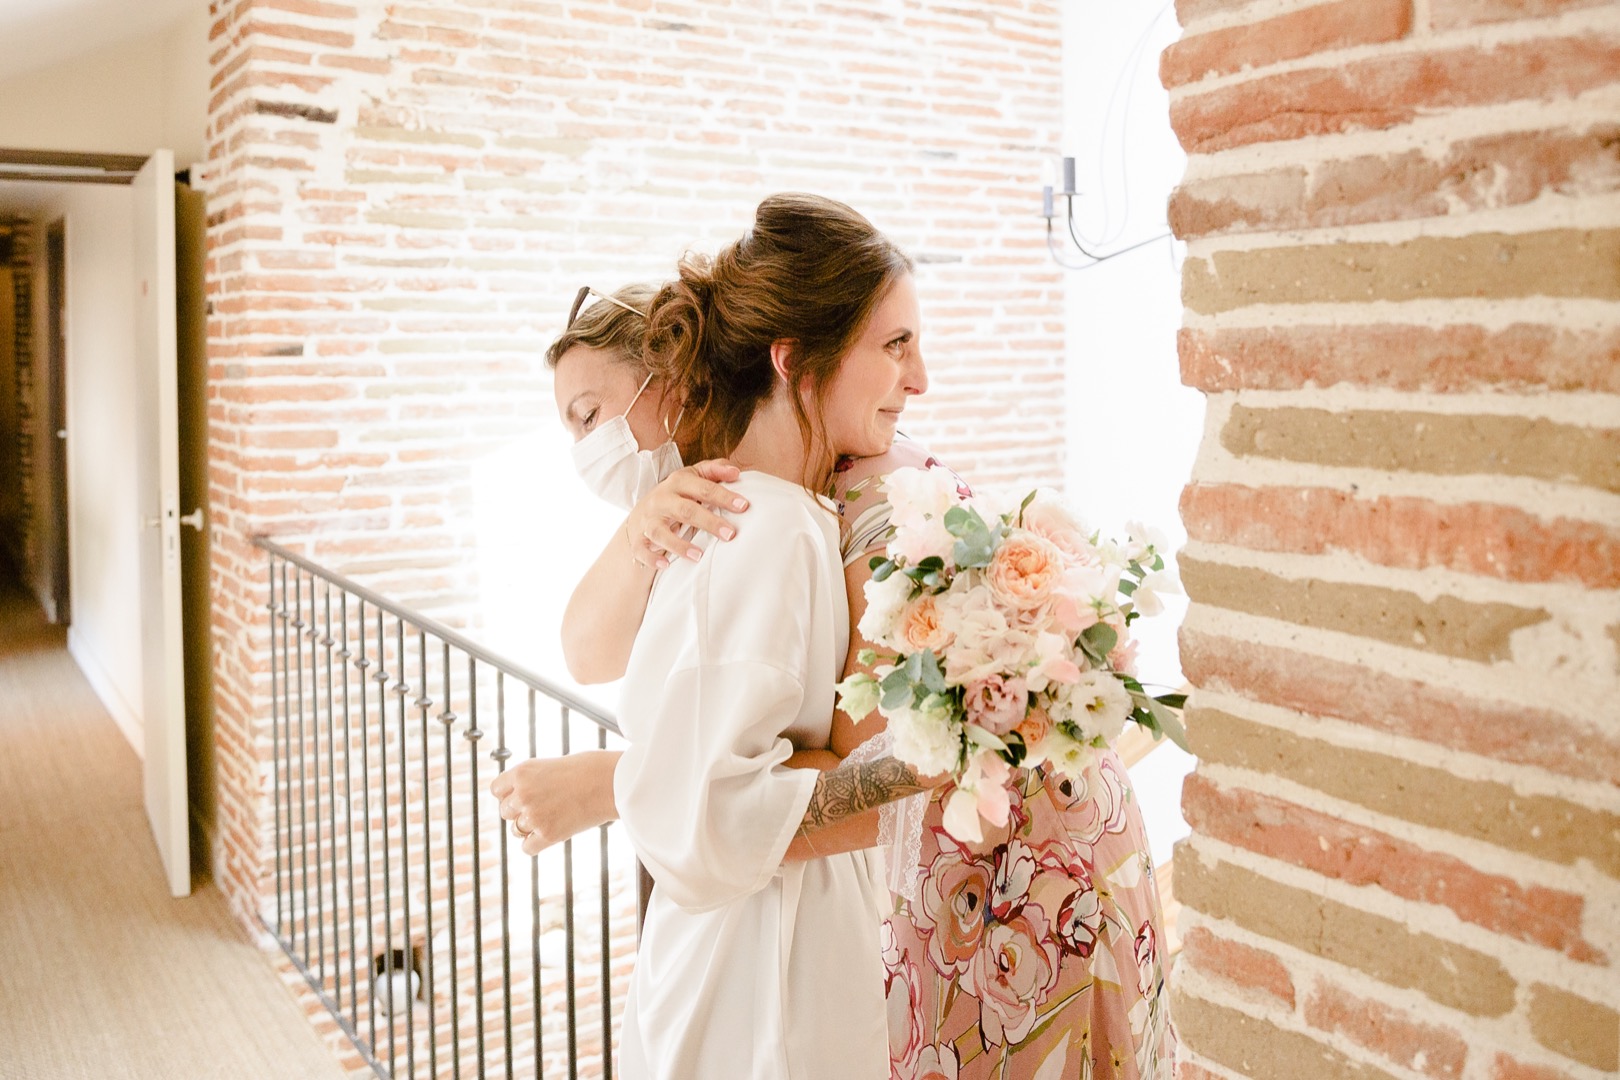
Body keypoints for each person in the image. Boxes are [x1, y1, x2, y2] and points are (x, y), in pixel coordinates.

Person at [496, 195, 1175, 1077]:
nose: (920, 378)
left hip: (856, 936)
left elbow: (765, 776)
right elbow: (700, 799)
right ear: (793, 359)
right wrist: (945, 757)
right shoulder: (755, 522)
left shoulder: (813, 506)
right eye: (895, 345)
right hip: (771, 979)